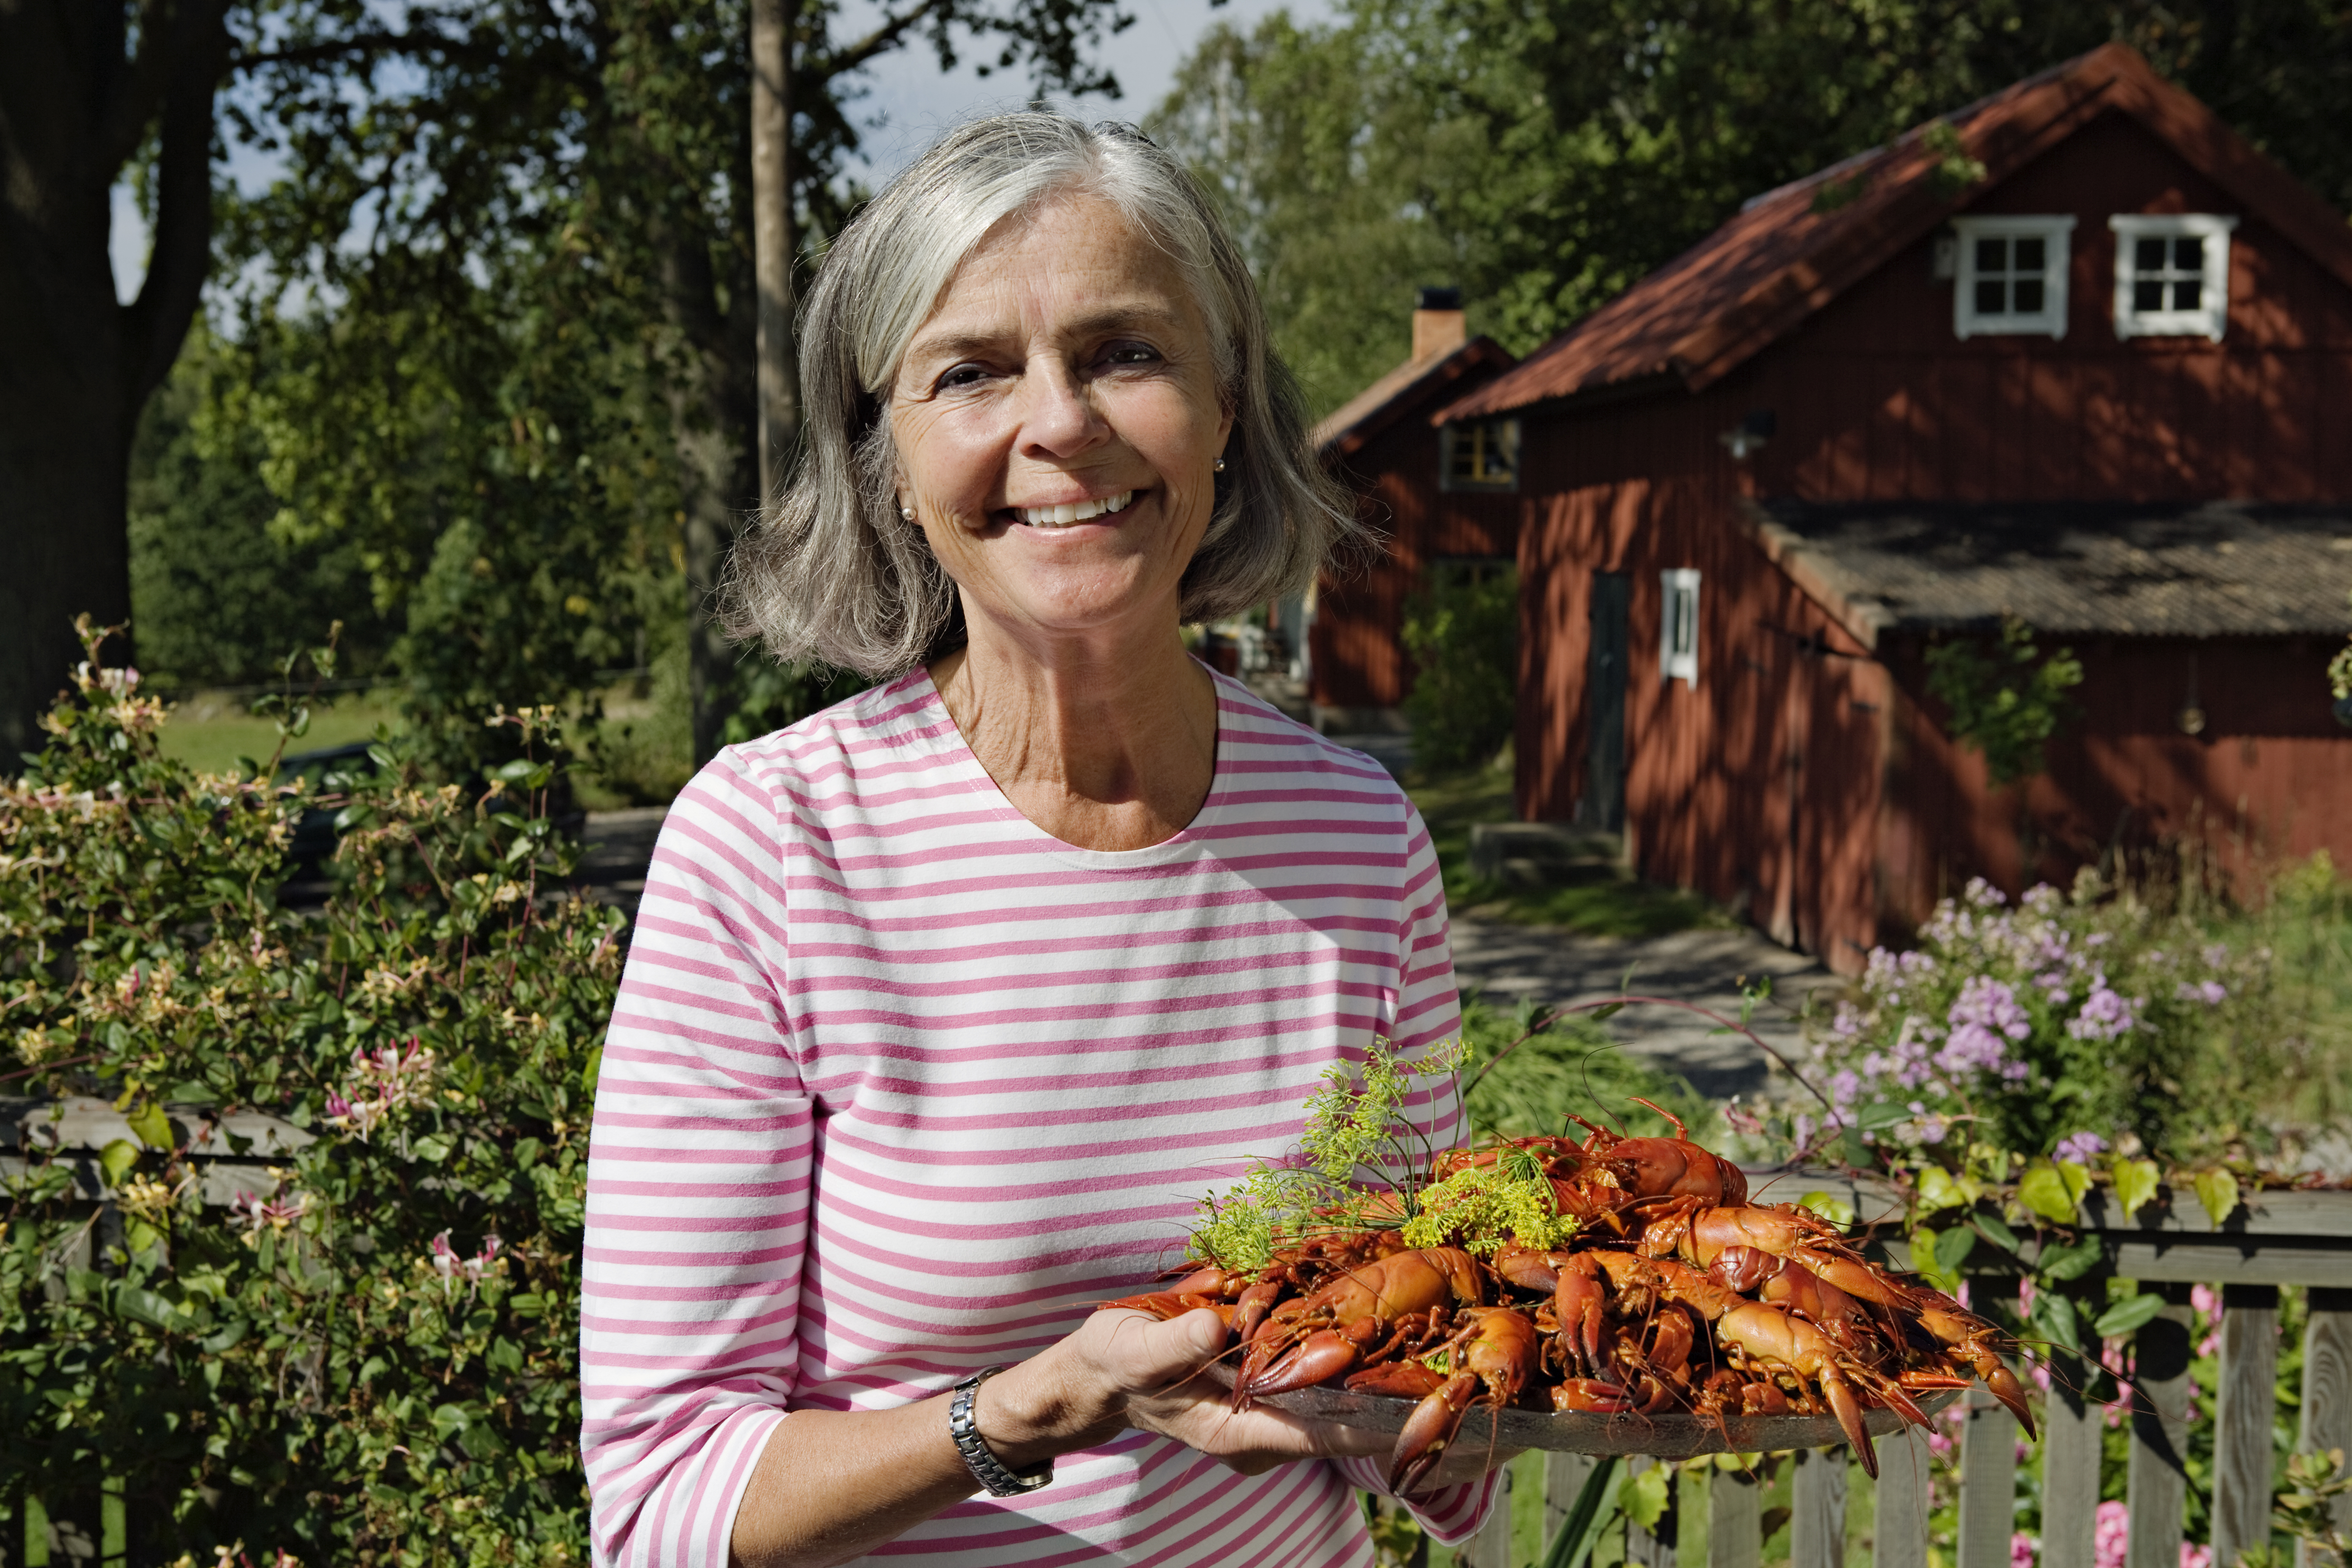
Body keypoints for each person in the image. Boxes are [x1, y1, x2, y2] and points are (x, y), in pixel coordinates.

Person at [579, 112, 1502, 1568]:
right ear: (888, 459)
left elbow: (1438, 1418)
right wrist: (1031, 1406)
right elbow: (662, 1502)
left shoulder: (1359, 839)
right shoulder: (772, 848)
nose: (1061, 423)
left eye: (1126, 352)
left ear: (1224, 410)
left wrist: (1531, 1383)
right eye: (972, 372)